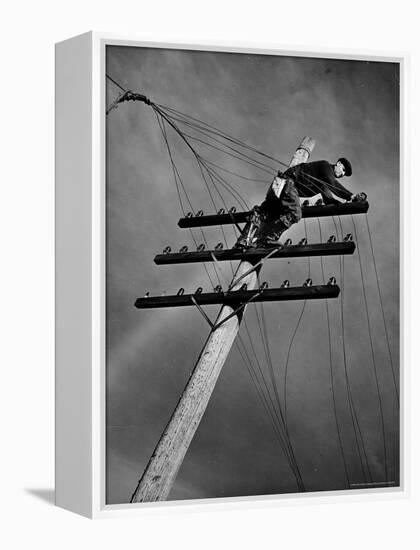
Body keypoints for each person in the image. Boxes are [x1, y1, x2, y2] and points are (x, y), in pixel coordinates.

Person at [234, 158, 366, 249]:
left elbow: (327, 196)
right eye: (343, 170)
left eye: (344, 174)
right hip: (288, 184)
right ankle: (266, 238)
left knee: (264, 212)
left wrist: (339, 203)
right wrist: (351, 196)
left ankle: (243, 240)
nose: (342, 174)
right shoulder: (325, 166)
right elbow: (332, 184)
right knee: (295, 213)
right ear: (338, 163)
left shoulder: (323, 179)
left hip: (280, 185)